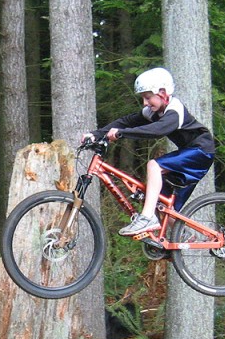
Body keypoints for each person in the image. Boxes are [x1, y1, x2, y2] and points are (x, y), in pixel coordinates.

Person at [83, 67, 216, 236]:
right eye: (143, 99)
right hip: (189, 152)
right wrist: (96, 134)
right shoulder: (152, 111)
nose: (145, 103)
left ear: (162, 93)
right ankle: (185, 239)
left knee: (154, 165)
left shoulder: (175, 110)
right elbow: (125, 122)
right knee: (163, 205)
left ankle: (146, 218)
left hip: (201, 152)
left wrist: (122, 134)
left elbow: (157, 130)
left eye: (147, 98)